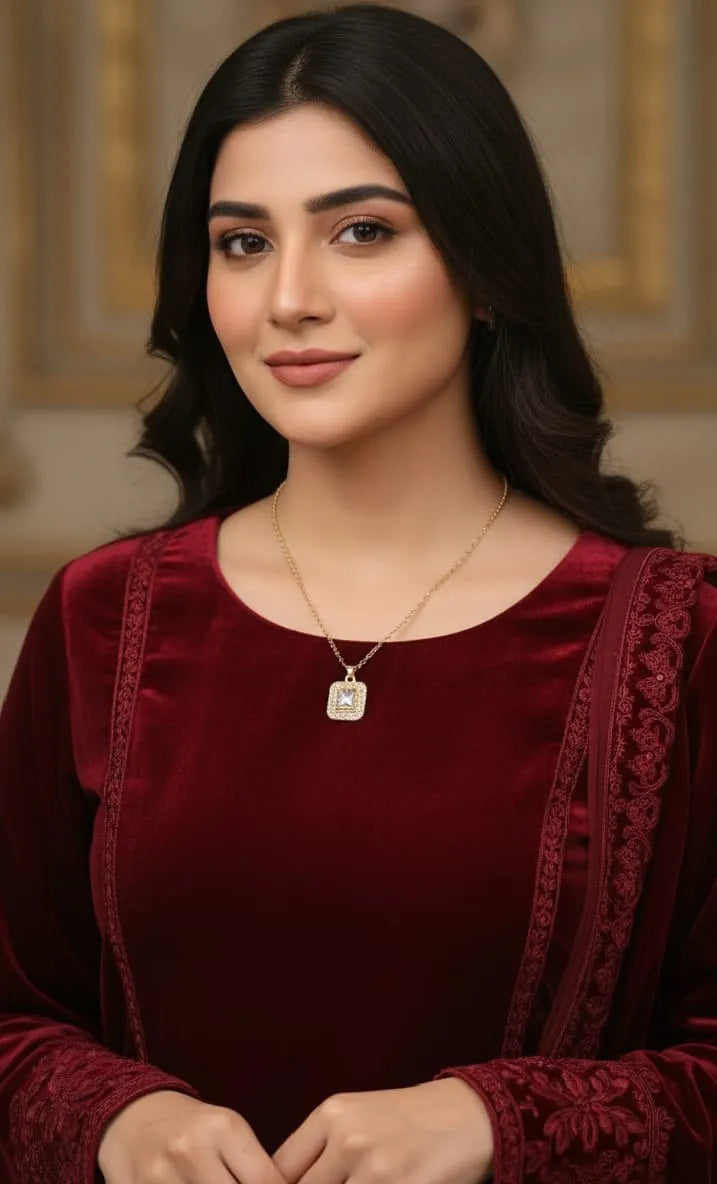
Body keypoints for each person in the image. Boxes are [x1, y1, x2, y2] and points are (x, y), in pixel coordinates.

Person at [0, 4, 715, 1181]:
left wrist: (497, 1123)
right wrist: (112, 1116)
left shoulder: (678, 637)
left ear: (486, 271)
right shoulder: (101, 617)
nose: (289, 298)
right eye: (242, 242)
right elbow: (17, 1018)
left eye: (361, 232)